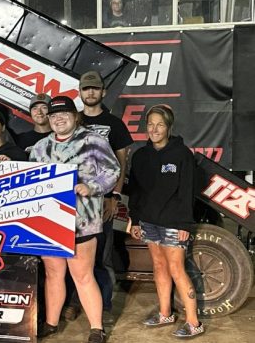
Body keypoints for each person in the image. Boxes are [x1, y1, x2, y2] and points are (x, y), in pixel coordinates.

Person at [30, 96, 120, 343]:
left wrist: (92, 186)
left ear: (75, 115)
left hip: (82, 221)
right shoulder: (39, 148)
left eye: (63, 114)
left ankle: (96, 328)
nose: (58, 119)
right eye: (53, 115)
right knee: (53, 273)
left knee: (82, 274)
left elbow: (113, 170)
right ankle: (51, 322)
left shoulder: (94, 141)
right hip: (49, 222)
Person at [128, 105, 204, 338]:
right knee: (159, 266)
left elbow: (187, 192)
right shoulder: (141, 156)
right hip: (149, 221)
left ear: (169, 127)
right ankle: (165, 313)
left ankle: (194, 322)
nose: (154, 129)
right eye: (150, 124)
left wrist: (184, 224)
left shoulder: (182, 154)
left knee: (176, 268)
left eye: (160, 124)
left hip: (173, 223)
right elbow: (136, 191)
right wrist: (136, 219)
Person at [77, 70, 133, 324]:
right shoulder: (72, 120)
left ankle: (106, 307)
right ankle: (76, 305)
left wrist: (115, 196)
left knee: (103, 255)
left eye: (94, 88)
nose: (90, 92)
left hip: (103, 199)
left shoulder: (115, 124)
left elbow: (121, 162)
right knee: (74, 256)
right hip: (75, 202)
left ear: (103, 92)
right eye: (86, 88)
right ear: (80, 92)